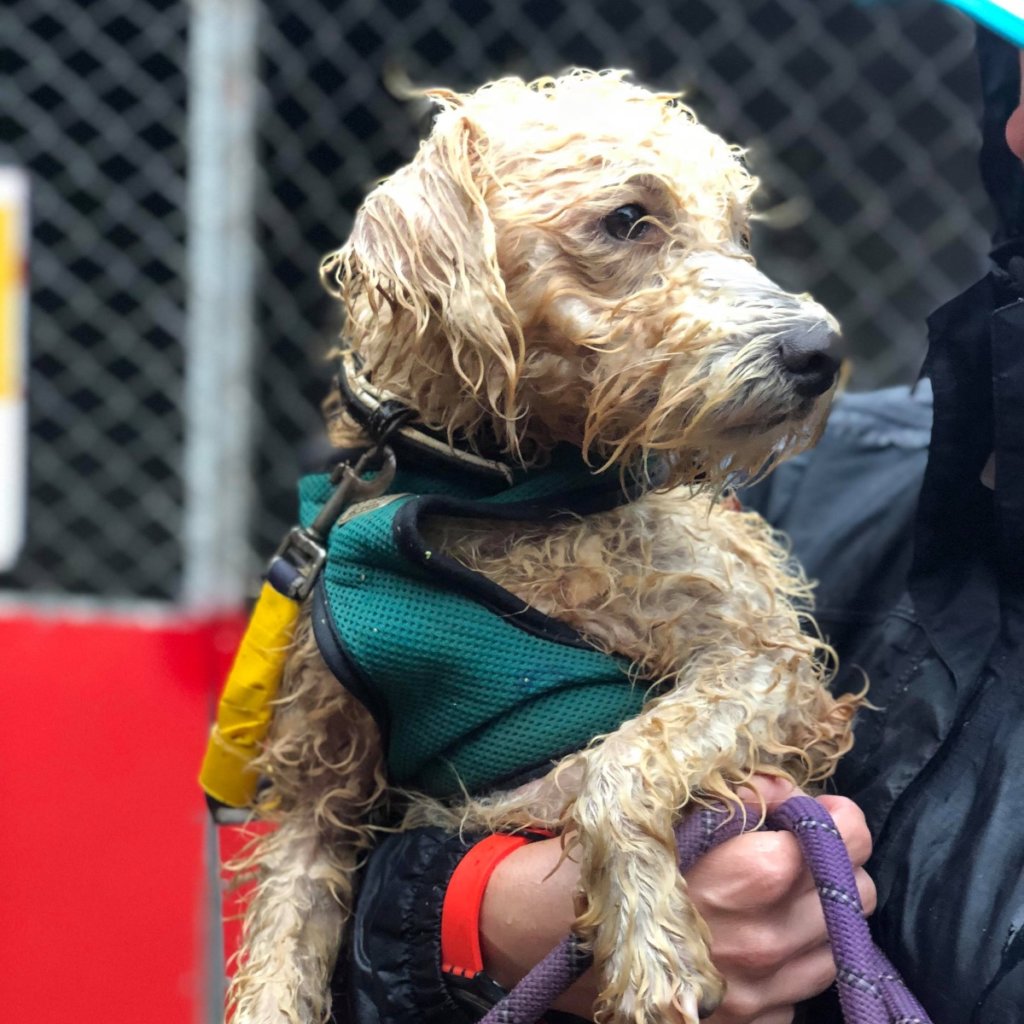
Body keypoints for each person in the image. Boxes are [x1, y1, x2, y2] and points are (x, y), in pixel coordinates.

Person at [336, 25, 1024, 1024]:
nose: (1019, 127)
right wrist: (481, 919)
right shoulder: (775, 486)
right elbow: (332, 871)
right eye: (1016, 68)